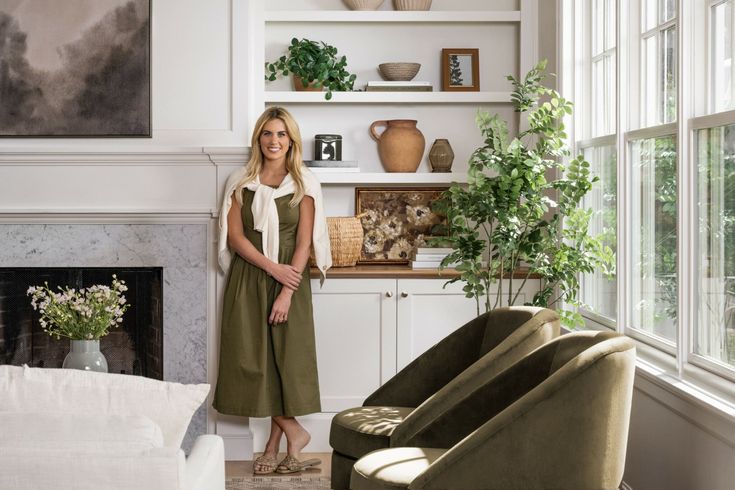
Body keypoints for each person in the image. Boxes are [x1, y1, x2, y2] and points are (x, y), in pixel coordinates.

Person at [214, 106, 332, 475]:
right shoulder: (239, 180)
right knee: (253, 361)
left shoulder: (305, 183)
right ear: (258, 139)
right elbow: (235, 236)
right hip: (248, 276)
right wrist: (270, 268)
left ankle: (274, 446)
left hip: (291, 279)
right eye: (268, 133)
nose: (274, 141)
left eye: (281, 134)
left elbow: (303, 243)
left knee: (285, 361)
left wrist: (285, 289)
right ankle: (290, 436)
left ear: (291, 140)